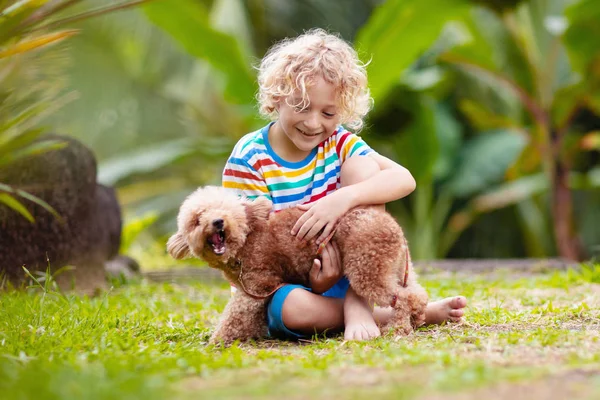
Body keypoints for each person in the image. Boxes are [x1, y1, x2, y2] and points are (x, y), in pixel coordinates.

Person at [222, 28, 466, 341]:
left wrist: (344, 198)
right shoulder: (250, 156)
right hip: (287, 285)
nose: (313, 123)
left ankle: (358, 303)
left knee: (364, 166)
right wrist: (317, 280)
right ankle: (404, 314)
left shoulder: (338, 143)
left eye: (328, 112)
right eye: (301, 106)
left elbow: (403, 178)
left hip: (354, 271)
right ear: (277, 99)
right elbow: (248, 247)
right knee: (292, 309)